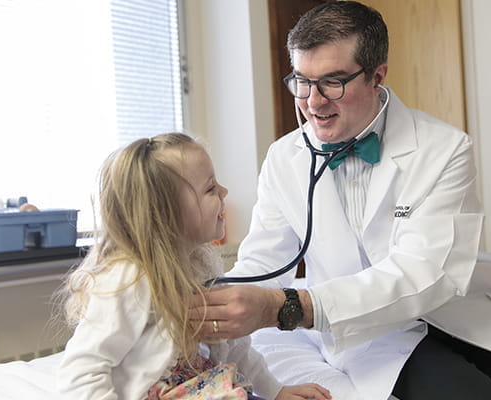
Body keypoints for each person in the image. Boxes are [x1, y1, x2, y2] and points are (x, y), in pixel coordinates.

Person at [189, 2, 491, 400]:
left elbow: (424, 273)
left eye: (332, 82)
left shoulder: (443, 148)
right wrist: (207, 303)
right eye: (302, 81)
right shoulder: (284, 157)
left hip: (456, 315)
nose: (312, 102)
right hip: (372, 335)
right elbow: (264, 264)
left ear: (377, 76)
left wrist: (290, 306)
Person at [56, 133, 331, 400]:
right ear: (167, 213)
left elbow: (234, 345)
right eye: (211, 188)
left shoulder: (199, 266)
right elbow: (82, 370)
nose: (224, 192)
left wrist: (276, 391)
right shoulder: (131, 277)